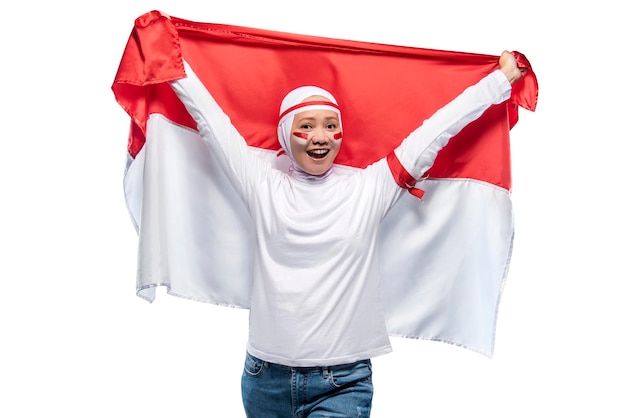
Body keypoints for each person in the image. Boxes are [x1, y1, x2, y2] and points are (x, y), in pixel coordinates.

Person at [168, 50, 525, 418]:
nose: (319, 137)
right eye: (305, 125)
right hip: (264, 380)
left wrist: (497, 82)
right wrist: (168, 64)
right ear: (285, 135)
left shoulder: (369, 189)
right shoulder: (262, 186)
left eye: (329, 125)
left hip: (342, 383)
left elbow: (434, 132)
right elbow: (210, 120)